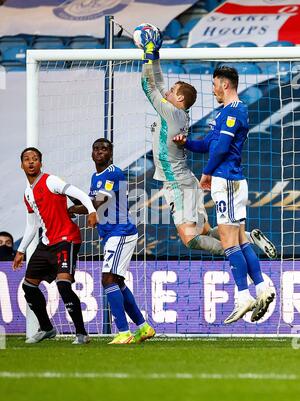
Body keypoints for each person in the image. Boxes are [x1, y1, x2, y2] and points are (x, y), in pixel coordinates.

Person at [140, 28, 276, 261]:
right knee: (204, 231)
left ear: (179, 98)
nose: (168, 91)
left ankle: (239, 250)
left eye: (172, 91)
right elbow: (159, 83)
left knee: (190, 239)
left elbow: (148, 85)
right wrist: (156, 56)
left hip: (178, 183)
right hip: (183, 180)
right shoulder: (174, 112)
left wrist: (148, 53)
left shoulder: (171, 114)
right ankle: (247, 241)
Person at [176, 66, 275, 324]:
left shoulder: (236, 111)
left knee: (229, 241)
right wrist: (185, 142)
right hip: (229, 181)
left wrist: (206, 173)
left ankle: (243, 296)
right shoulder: (224, 113)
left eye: (214, 84)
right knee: (240, 240)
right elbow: (209, 143)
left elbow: (220, 148)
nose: (213, 89)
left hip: (228, 180)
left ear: (225, 84)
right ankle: (263, 288)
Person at [69, 138, 155, 344]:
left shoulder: (113, 173)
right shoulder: (96, 176)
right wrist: (68, 195)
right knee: (117, 281)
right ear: (92, 154)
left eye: (104, 149)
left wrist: (71, 209)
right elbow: (90, 203)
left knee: (107, 280)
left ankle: (124, 332)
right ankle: (144, 328)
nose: (99, 152)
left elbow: (98, 203)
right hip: (110, 234)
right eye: (96, 149)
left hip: (121, 232)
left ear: (111, 153)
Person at [13, 147, 98, 344]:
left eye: (35, 159)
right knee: (28, 286)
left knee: (63, 285)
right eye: (27, 159)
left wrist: (92, 210)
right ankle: (47, 328)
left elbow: (77, 192)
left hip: (66, 239)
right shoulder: (28, 193)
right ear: (22, 165)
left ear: (41, 163)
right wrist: (21, 250)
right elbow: (32, 224)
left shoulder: (51, 181)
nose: (31, 162)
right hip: (46, 243)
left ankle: (81, 334)